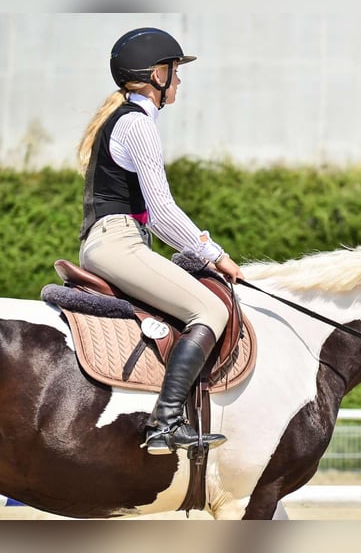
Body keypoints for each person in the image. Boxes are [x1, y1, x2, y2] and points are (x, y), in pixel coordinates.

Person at [76, 27, 244, 455]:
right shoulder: (137, 125)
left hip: (114, 241)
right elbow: (164, 212)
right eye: (175, 71)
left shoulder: (125, 120)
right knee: (209, 307)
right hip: (119, 242)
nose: (179, 81)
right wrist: (216, 254)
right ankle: (165, 423)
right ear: (156, 75)